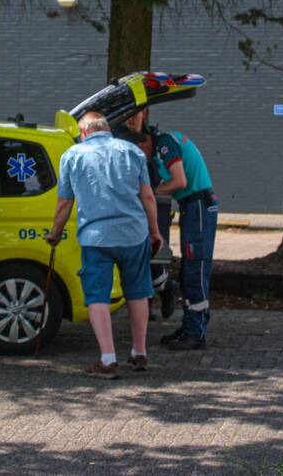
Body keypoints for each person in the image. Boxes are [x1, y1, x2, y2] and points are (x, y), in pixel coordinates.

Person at [47, 112, 163, 379]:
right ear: (106, 129)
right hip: (134, 234)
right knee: (137, 291)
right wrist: (155, 232)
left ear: (84, 132)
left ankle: (108, 359)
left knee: (97, 294)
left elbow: (65, 203)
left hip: (96, 237)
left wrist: (55, 232)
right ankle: (139, 352)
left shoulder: (73, 155)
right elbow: (147, 195)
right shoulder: (132, 151)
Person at [153, 127, 218, 351]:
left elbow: (179, 181)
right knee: (188, 268)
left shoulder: (163, 143)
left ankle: (195, 333)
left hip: (197, 206)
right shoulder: (167, 140)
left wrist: (151, 192)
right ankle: (190, 326)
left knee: (195, 269)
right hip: (194, 206)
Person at [119, 108, 177, 321]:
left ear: (145, 114)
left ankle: (159, 292)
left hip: (145, 200)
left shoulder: (152, 138)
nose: (132, 118)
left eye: (136, 114)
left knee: (148, 255)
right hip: (125, 205)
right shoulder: (116, 137)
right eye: (128, 114)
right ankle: (149, 298)